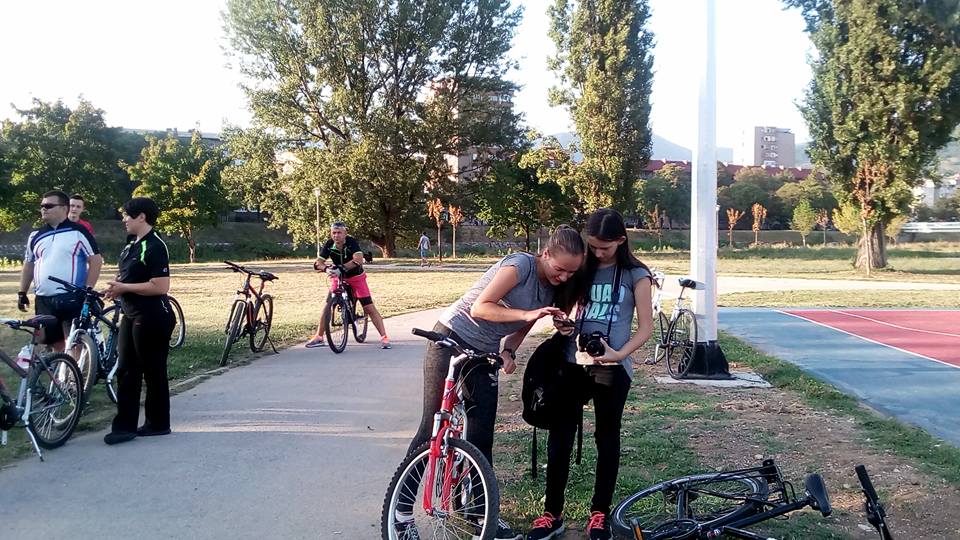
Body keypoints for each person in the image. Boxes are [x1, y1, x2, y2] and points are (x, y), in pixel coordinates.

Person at [395, 225, 586, 540]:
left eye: (571, 273)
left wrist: (508, 350)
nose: (564, 277)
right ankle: (402, 515)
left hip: (484, 351)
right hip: (451, 337)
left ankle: (480, 516)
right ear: (546, 253)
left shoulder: (553, 289)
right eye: (560, 269)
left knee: (481, 435)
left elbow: (522, 328)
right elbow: (480, 307)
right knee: (431, 425)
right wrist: (528, 313)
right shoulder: (521, 265)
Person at [525, 208, 654, 540]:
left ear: (621, 241)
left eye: (604, 248)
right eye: (592, 246)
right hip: (573, 363)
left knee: (607, 439)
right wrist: (562, 324)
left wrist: (619, 354)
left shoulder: (636, 275)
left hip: (612, 367)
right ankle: (552, 513)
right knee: (560, 437)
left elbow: (645, 329)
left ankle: (600, 514)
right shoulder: (582, 268)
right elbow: (565, 307)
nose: (597, 253)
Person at [102, 197, 176, 445]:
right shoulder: (130, 245)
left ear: (141, 217)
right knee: (126, 370)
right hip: (131, 314)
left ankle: (158, 423)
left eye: (127, 215)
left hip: (152, 316)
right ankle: (125, 427)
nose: (124, 220)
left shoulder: (155, 245)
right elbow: (126, 276)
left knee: (153, 371)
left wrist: (124, 287)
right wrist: (115, 288)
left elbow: (160, 286)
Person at [18, 190, 102, 352]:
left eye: (49, 205)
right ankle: (61, 369)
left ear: (64, 208)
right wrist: (22, 292)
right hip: (44, 299)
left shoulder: (78, 231)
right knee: (54, 345)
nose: (44, 209)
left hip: (71, 297)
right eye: (42, 205)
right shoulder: (35, 235)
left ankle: (74, 370)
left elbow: (96, 260)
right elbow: (29, 264)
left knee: (74, 345)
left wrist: (88, 289)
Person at [306, 221, 392, 349]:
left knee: (368, 307)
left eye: (339, 233)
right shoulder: (329, 244)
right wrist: (326, 269)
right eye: (334, 233)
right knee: (327, 306)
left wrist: (342, 268)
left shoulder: (351, 242)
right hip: (338, 278)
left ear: (345, 233)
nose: (336, 235)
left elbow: (358, 259)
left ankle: (384, 338)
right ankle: (319, 337)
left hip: (356, 278)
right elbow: (318, 263)